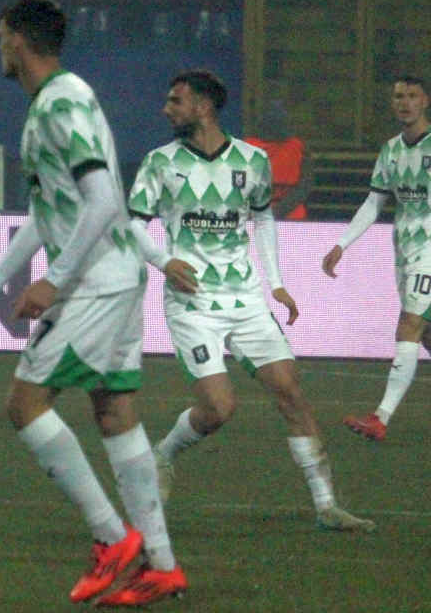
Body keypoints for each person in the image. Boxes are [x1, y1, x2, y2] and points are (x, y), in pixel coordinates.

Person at [0, 0, 183, 608]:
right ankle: (161, 564)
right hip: (115, 273)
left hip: (97, 279)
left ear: (18, 41)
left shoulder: (62, 101)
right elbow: (50, 211)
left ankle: (110, 539)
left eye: (1, 36)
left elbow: (102, 199)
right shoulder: (56, 102)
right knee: (114, 410)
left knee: (25, 404)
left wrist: (57, 278)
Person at [127, 70, 374, 532]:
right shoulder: (160, 163)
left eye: (175, 101)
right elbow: (133, 223)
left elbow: (262, 221)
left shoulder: (252, 161)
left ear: (203, 107)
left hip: (245, 299)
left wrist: (275, 282)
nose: (166, 109)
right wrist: (164, 261)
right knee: (219, 409)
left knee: (291, 393)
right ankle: (164, 454)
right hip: (193, 302)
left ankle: (326, 506)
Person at [321, 75, 431, 443]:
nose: (404, 102)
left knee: (409, 325)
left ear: (425, 101)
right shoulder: (391, 151)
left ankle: (380, 417)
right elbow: (373, 203)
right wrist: (342, 244)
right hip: (405, 255)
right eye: (398, 96)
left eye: (412, 96)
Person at [242, 104, 312, 220]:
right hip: (290, 214)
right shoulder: (300, 147)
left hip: (255, 213)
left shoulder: (245, 147)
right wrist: (278, 211)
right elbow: (305, 186)